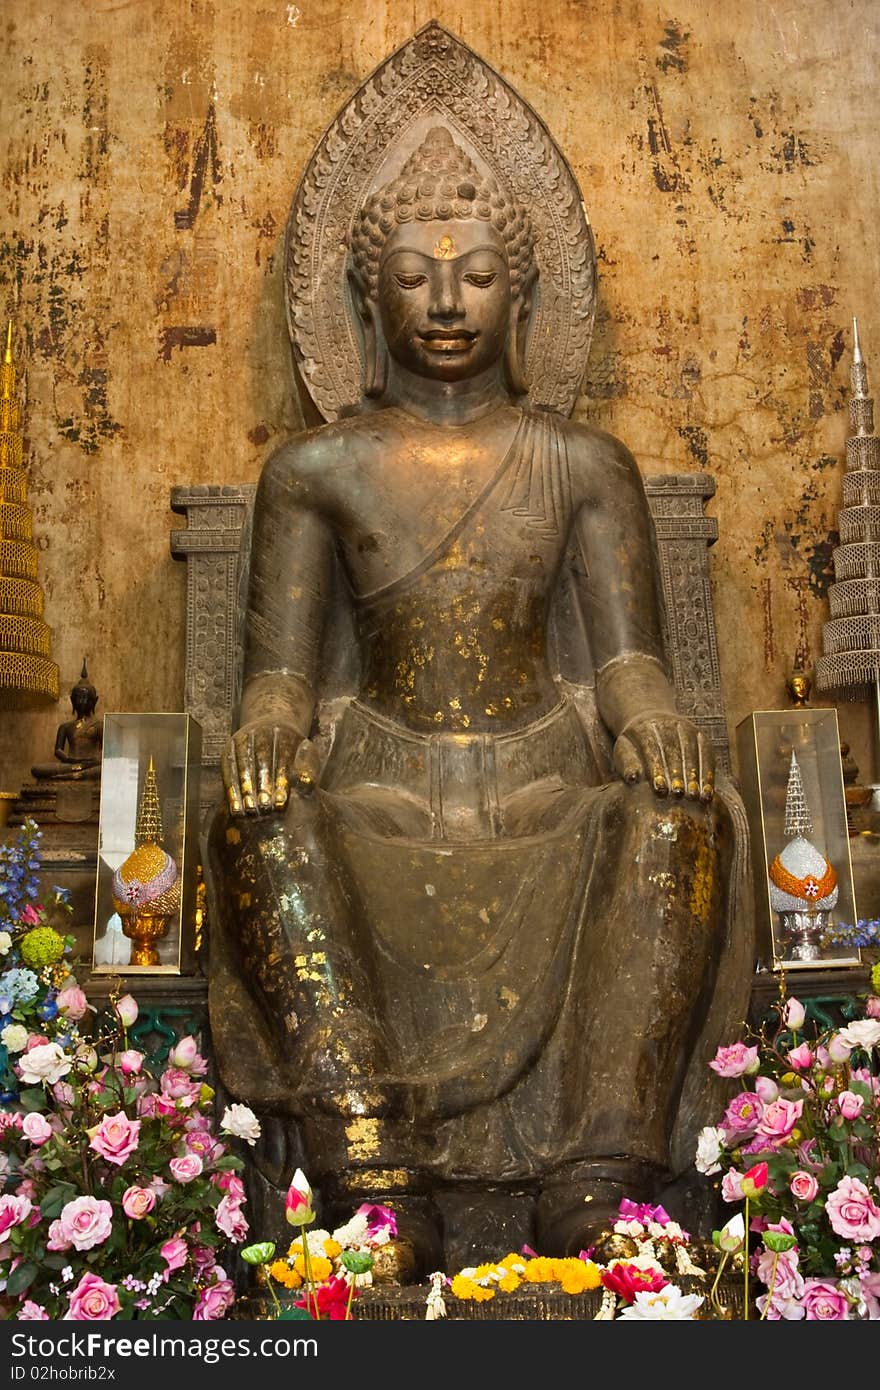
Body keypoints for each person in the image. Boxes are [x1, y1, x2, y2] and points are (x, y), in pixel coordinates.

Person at [208, 127, 750, 1264]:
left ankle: (603, 1179)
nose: (445, 301)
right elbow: (279, 679)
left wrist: (651, 716)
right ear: (366, 304)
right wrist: (266, 730)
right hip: (383, 785)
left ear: (526, 295)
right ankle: (372, 1186)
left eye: (478, 275)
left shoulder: (581, 462)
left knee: (679, 820)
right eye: (411, 277)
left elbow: (625, 663)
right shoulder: (315, 470)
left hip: (546, 777)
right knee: (258, 828)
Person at [32, 662, 102, 781]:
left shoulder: (99, 725)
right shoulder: (66, 727)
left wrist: (91, 761)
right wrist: (69, 760)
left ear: (94, 701)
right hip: (69, 765)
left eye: (85, 698)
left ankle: (74, 775)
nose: (81, 702)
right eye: (78, 698)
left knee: (103, 769)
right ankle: (76, 774)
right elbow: (58, 750)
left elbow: (106, 753)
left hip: (90, 765)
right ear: (72, 701)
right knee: (37, 769)